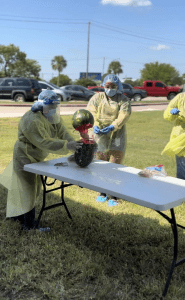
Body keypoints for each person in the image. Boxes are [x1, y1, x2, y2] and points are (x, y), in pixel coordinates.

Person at [1, 90, 82, 231]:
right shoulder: (31, 120)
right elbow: (43, 142)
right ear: (42, 106)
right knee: (27, 190)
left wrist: (74, 145)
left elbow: (63, 132)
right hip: (24, 156)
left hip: (36, 157)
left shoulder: (52, 116)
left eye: (56, 106)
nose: (54, 109)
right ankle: (28, 225)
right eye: (51, 107)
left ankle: (18, 216)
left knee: (30, 189)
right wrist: (66, 146)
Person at [87, 74, 131, 206]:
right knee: (101, 164)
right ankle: (102, 192)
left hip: (117, 135)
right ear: (103, 86)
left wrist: (113, 126)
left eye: (113, 86)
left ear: (118, 87)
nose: (110, 88)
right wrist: (94, 124)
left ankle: (114, 195)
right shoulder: (97, 97)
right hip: (100, 135)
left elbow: (124, 115)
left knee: (114, 165)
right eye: (107, 86)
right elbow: (91, 111)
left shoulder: (123, 100)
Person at [161, 93, 185, 179]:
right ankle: (181, 189)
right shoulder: (181, 97)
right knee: (182, 167)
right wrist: (171, 112)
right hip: (181, 139)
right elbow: (167, 112)